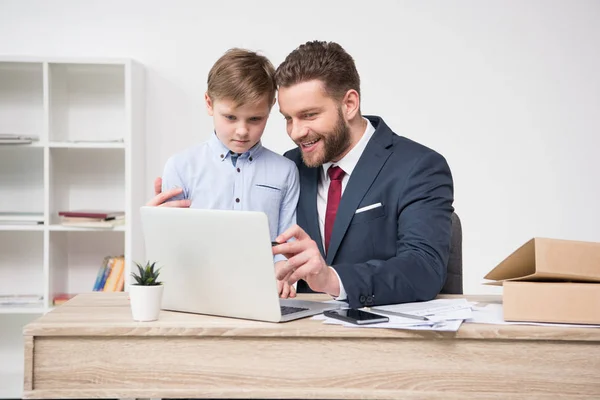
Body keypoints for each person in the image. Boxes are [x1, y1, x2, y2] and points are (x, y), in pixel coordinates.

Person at [270, 40, 454, 309]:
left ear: (349, 104)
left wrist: (331, 279)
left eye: (308, 115)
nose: (296, 132)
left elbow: (424, 268)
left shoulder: (419, 167)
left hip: (382, 337)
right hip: (301, 334)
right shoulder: (290, 166)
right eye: (288, 118)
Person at [151, 48, 300, 298]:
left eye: (254, 119)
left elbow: (287, 241)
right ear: (209, 103)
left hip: (263, 294)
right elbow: (171, 246)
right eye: (230, 117)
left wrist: (282, 275)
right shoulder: (180, 167)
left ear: (271, 107)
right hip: (197, 293)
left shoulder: (285, 171)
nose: (242, 131)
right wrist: (156, 224)